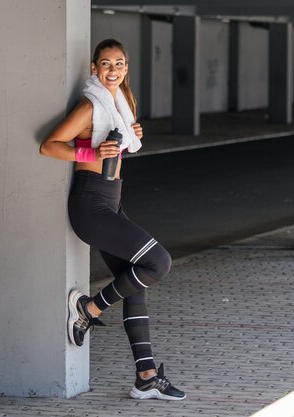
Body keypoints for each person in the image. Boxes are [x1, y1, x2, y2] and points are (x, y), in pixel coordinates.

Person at [39, 39, 185, 401]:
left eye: (119, 64)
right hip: (91, 206)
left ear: (126, 68)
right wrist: (89, 149)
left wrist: (131, 137)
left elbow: (115, 151)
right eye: (106, 64)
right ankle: (88, 309)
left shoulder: (122, 104)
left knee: (135, 283)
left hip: (111, 201)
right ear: (94, 68)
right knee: (158, 262)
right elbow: (49, 145)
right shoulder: (90, 106)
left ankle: (146, 377)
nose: (113, 70)